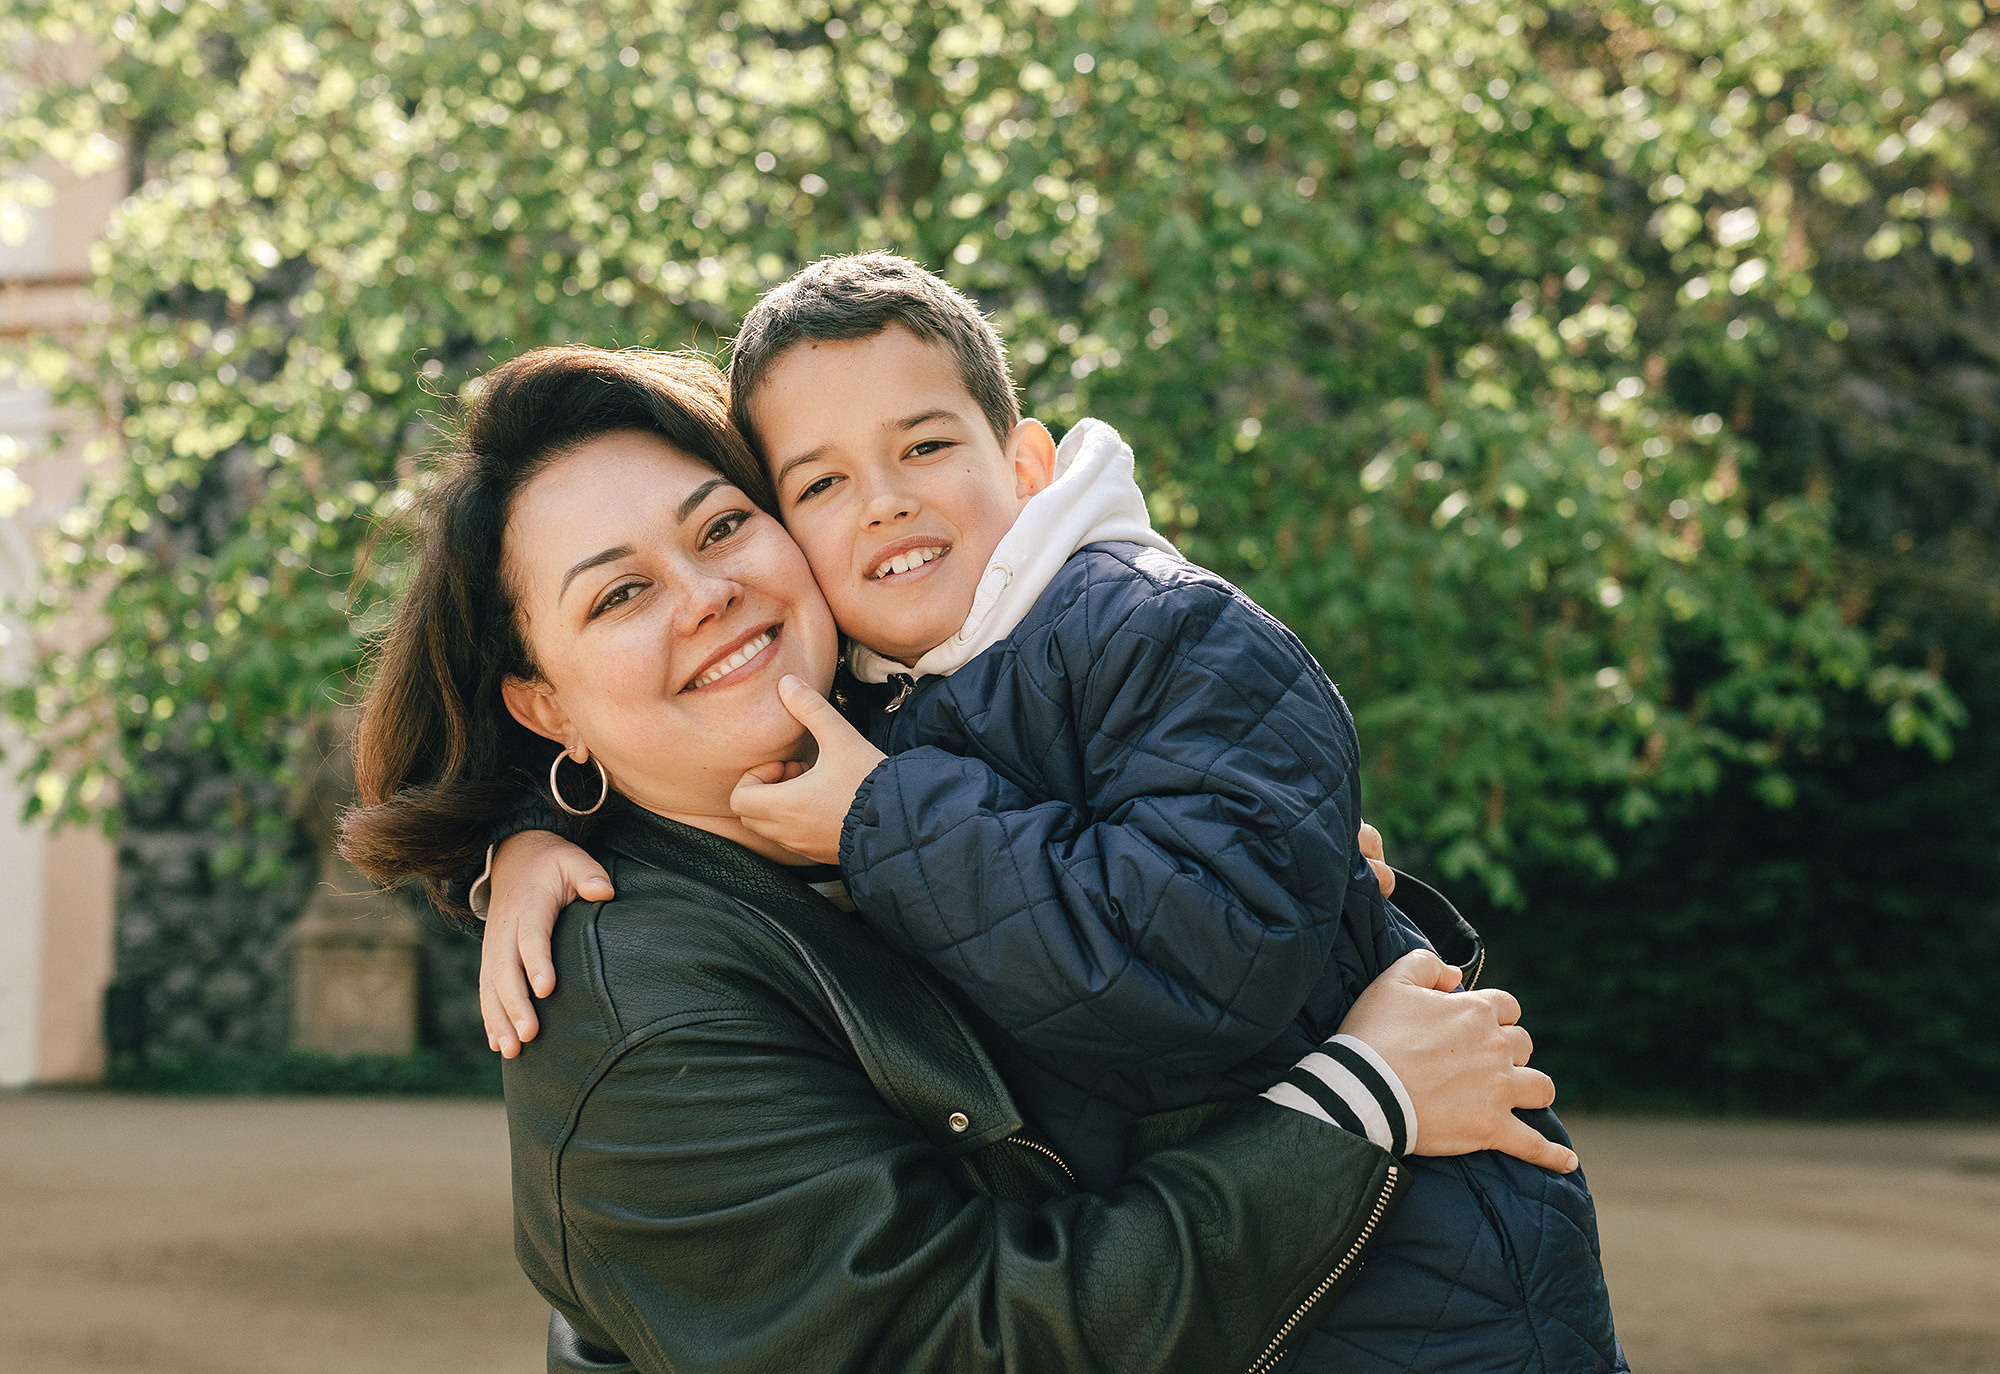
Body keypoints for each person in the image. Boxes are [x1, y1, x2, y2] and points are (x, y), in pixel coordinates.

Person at [475, 256, 1624, 1372]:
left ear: (1023, 466)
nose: (707, 592)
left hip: (1434, 1287)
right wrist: (1357, 1094)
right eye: (620, 592)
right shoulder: (636, 999)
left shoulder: (971, 700)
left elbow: (1198, 924)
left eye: (722, 525)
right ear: (542, 703)